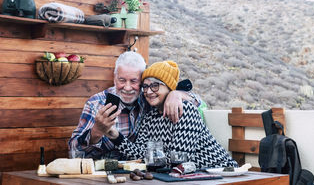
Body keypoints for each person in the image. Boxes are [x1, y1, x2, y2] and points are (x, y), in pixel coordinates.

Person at [69, 52, 202, 159]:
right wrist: (96, 132)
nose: (127, 87)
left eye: (134, 81)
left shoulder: (149, 99)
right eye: (122, 80)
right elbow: (74, 152)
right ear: (114, 78)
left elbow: (197, 102)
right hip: (103, 171)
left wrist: (177, 94)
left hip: (142, 172)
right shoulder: (96, 103)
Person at [108, 60, 238, 169]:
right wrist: (115, 136)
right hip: (186, 177)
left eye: (155, 86)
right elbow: (139, 153)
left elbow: (179, 159)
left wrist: (150, 158)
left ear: (169, 88)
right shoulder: (150, 117)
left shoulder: (185, 110)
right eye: (145, 86)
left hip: (221, 172)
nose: (148, 91)